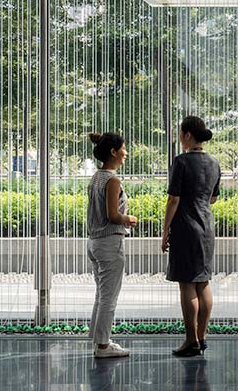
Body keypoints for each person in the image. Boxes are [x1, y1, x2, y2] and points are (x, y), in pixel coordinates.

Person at [162, 115, 221, 358]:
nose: (179, 137)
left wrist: (165, 230)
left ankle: (190, 340)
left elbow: (173, 199)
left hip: (186, 227)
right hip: (206, 226)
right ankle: (202, 337)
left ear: (187, 135)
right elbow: (213, 198)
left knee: (187, 283)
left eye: (180, 133)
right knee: (203, 281)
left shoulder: (182, 161)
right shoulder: (214, 163)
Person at [86, 131, 137, 358]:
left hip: (95, 243)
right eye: (124, 149)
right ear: (114, 152)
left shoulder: (97, 177)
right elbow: (112, 215)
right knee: (109, 297)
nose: (126, 153)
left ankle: (99, 342)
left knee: (102, 294)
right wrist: (130, 219)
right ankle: (104, 347)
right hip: (109, 243)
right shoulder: (112, 180)